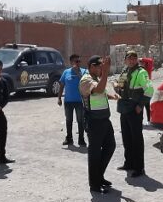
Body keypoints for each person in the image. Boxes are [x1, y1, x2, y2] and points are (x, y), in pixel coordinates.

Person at [79, 55, 118, 194]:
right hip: (94, 121)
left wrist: (112, 96)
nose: (101, 67)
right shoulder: (86, 80)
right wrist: (106, 72)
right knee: (94, 153)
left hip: (104, 120)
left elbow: (101, 92)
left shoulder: (96, 79)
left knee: (110, 146)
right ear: (91, 67)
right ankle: (94, 185)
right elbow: (98, 90)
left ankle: (99, 176)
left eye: (102, 65)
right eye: (99, 65)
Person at [115, 50, 154, 177]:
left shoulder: (141, 72)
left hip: (134, 109)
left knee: (136, 139)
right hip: (124, 108)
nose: (131, 61)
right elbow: (120, 86)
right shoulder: (124, 71)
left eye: (134, 58)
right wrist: (116, 87)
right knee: (126, 137)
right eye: (129, 58)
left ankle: (139, 167)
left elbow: (149, 89)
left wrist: (141, 105)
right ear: (125, 60)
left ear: (137, 60)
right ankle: (129, 163)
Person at [58, 54, 88, 146]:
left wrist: (79, 74)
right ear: (71, 62)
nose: (78, 63)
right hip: (68, 101)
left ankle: (81, 139)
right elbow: (62, 85)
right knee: (69, 120)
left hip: (80, 101)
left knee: (80, 120)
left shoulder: (84, 72)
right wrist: (59, 98)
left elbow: (87, 84)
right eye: (76, 61)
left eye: (79, 61)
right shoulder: (66, 72)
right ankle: (69, 138)